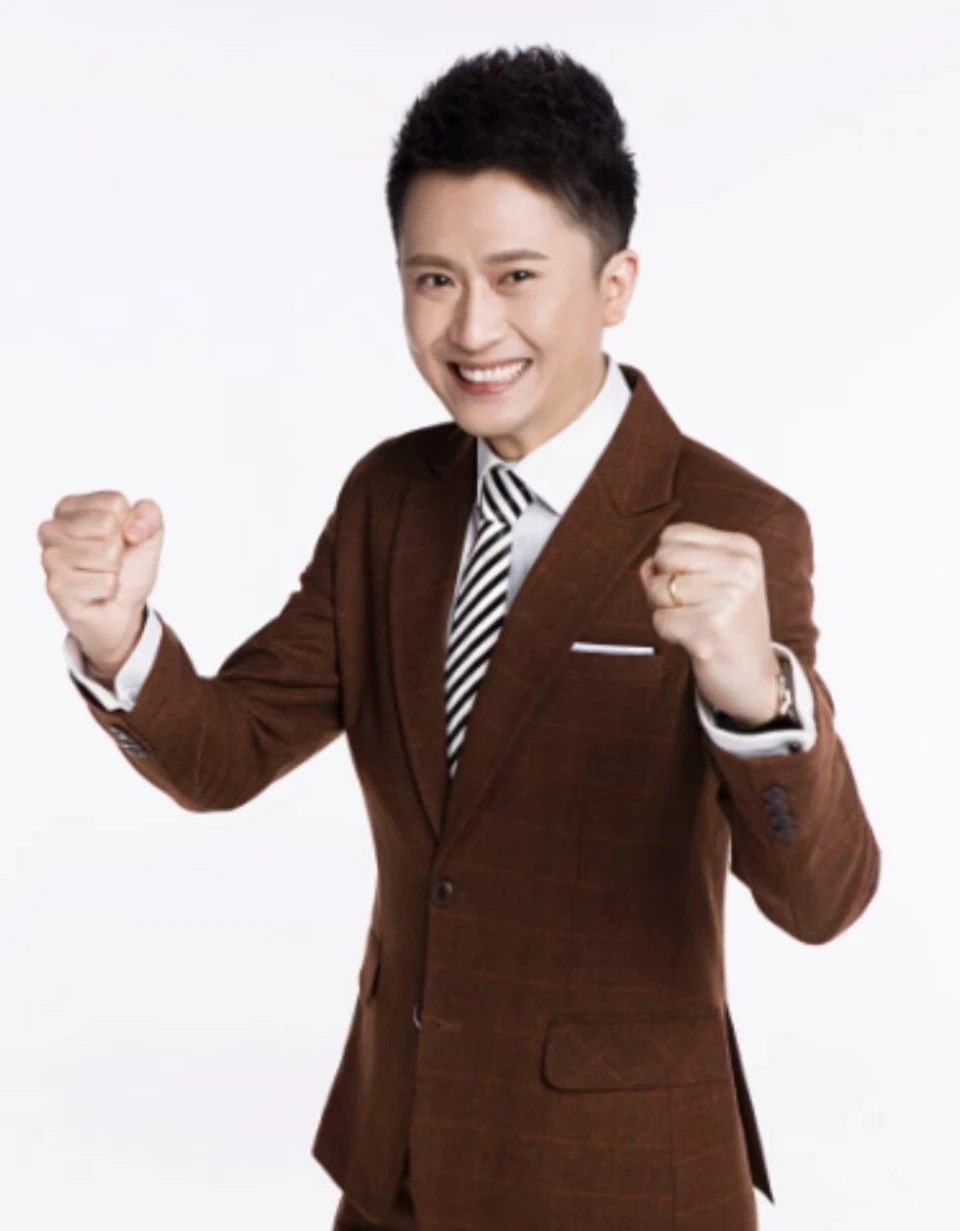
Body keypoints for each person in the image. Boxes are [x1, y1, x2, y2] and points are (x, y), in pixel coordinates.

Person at [38, 45, 880, 1231]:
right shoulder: (391, 499)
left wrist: (758, 699)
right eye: (433, 279)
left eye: (517, 274)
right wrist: (117, 633)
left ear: (616, 284)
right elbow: (227, 754)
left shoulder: (736, 524)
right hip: (398, 1162)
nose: (473, 326)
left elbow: (824, 897)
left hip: (620, 1182)